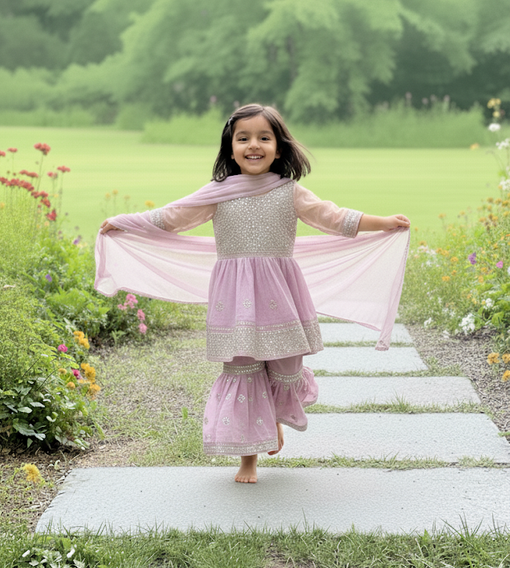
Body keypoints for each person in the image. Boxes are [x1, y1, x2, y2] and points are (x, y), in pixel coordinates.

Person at [98, 104, 410, 484]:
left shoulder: (290, 192)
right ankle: (248, 460)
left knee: (284, 369)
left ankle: (273, 420)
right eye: (243, 138)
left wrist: (383, 222)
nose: (254, 145)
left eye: (264, 137)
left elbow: (334, 217)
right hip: (235, 300)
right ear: (230, 149)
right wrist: (122, 222)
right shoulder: (217, 193)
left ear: (279, 147)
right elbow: (171, 217)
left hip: (282, 297)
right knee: (243, 371)